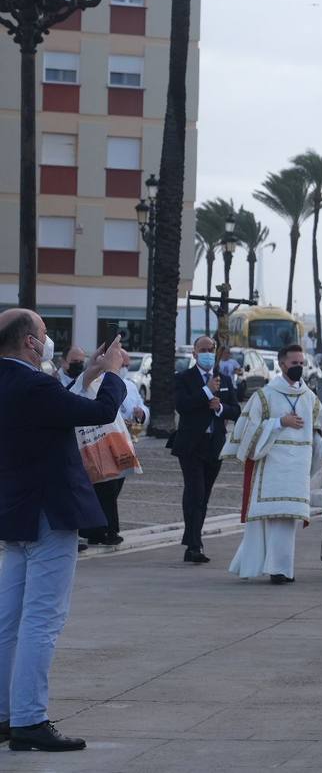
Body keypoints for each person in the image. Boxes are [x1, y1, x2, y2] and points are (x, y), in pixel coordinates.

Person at [0, 312, 126, 751]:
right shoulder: (34, 384)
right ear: (31, 344)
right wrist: (110, 375)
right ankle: (30, 720)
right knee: (42, 620)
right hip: (48, 512)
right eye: (46, 333)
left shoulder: (15, 382)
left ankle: (6, 715)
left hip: (16, 513)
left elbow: (54, 413)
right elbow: (100, 411)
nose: (49, 340)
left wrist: (88, 373)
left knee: (9, 621)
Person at [226, 344, 322, 584]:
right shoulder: (265, 395)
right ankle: (278, 569)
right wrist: (278, 422)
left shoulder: (310, 398)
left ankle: (281, 568)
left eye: (301, 364)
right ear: (282, 364)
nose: (299, 368)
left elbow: (316, 434)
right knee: (272, 518)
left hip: (297, 468)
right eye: (294, 363)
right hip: (272, 465)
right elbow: (251, 430)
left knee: (287, 519)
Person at [171, 335, 241, 564]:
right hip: (191, 445)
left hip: (215, 445)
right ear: (194, 353)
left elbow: (236, 410)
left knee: (204, 496)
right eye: (203, 349)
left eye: (211, 349)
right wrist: (206, 392)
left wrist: (220, 407)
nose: (208, 352)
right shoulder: (184, 378)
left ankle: (192, 538)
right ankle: (194, 545)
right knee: (195, 493)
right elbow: (182, 405)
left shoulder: (226, 378)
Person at [71, 352, 146, 548]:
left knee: (111, 488)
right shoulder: (89, 382)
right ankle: (105, 531)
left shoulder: (128, 384)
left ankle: (100, 530)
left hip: (117, 439)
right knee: (103, 488)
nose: (124, 366)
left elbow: (138, 407)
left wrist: (137, 417)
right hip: (96, 442)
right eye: (122, 363)